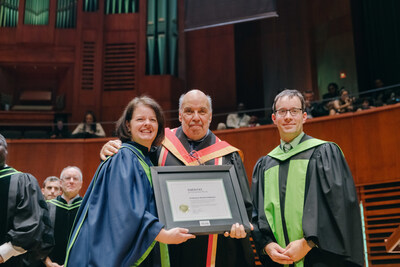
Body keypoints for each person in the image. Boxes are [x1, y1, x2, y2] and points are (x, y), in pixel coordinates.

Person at [100, 89, 254, 267]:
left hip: (214, 250)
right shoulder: (160, 145)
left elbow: (243, 207)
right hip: (165, 244)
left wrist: (240, 227)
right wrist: (112, 148)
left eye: (202, 111)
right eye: (189, 111)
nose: (195, 117)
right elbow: (130, 170)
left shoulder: (228, 155)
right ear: (180, 115)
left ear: (210, 116)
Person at [65, 96, 195, 267]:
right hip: (129, 252)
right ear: (128, 125)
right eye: (140, 119)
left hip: (144, 243)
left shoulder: (145, 158)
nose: (147, 123)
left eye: (152, 119)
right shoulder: (124, 156)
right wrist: (163, 235)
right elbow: (125, 208)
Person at [251, 89, 364, 266]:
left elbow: (339, 206)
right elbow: (256, 215)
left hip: (319, 258)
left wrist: (308, 243)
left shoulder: (324, 153)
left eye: (294, 111)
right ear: (274, 118)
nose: (288, 117)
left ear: (304, 117)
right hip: (279, 260)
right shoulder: (265, 165)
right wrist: (267, 245)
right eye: (282, 111)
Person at [0, 134, 54, 267]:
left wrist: (3, 253)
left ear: (6, 151)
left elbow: (31, 225)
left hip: (11, 261)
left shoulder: (22, 181)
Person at [44, 166, 83, 267]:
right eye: (67, 178)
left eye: (75, 178)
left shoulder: (88, 208)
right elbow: (39, 236)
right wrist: (47, 261)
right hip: (49, 264)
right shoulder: (47, 206)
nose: (71, 181)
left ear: (81, 184)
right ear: (61, 183)